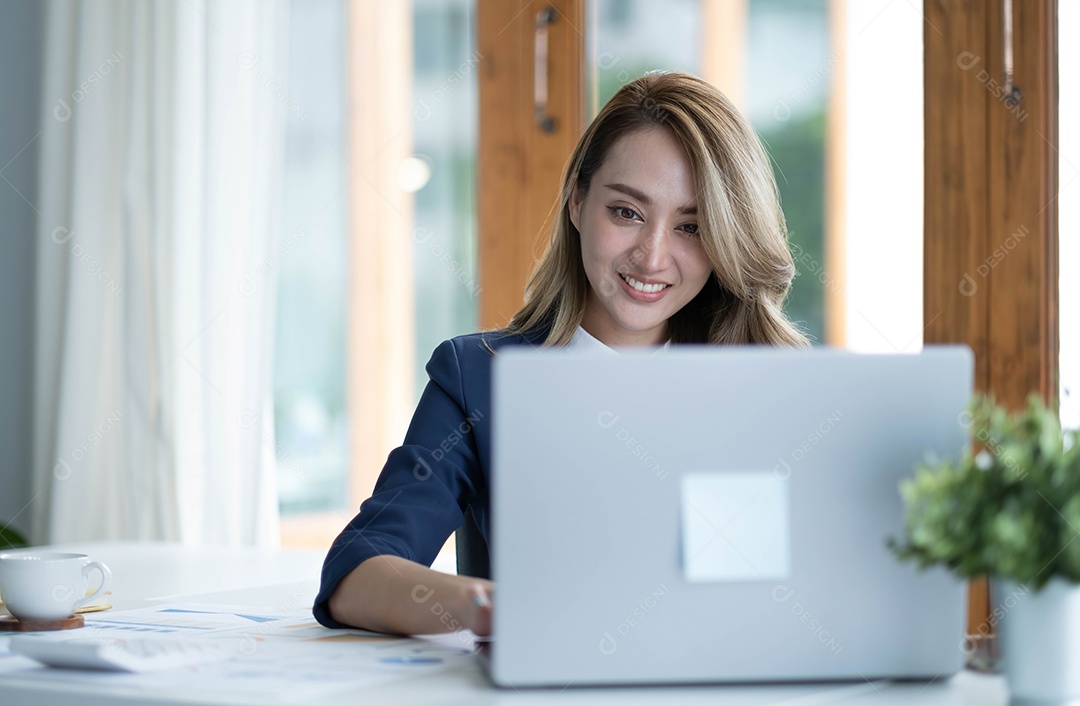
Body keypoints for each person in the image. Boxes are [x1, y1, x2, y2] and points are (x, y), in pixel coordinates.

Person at [314, 71, 809, 637]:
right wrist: (497, 608)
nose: (651, 256)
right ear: (577, 201)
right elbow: (357, 571)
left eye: (691, 227)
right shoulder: (480, 378)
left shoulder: (767, 385)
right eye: (627, 212)